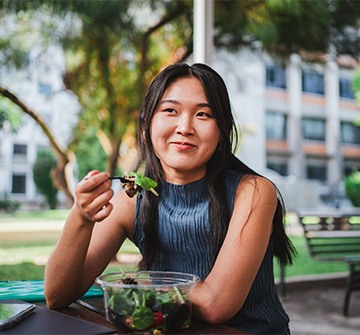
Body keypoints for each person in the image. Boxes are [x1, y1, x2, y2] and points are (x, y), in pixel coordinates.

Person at [44, 62, 295, 334]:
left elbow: (215, 305)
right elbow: (57, 295)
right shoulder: (132, 199)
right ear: (146, 125)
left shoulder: (254, 192)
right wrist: (81, 217)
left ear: (222, 131)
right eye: (170, 111)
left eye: (203, 114)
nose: (184, 127)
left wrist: (138, 282)